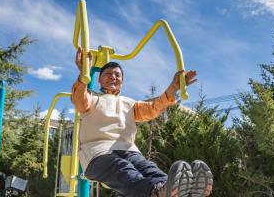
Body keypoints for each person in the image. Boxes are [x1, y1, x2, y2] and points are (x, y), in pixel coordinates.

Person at [71, 47, 213, 197]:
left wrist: (174, 87)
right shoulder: (91, 99)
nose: (113, 77)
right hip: (98, 154)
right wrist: (84, 74)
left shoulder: (130, 104)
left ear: (122, 82)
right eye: (108, 74)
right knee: (123, 168)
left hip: (128, 150)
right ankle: (157, 192)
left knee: (148, 168)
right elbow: (79, 98)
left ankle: (179, 190)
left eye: (117, 75)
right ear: (99, 79)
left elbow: (154, 108)